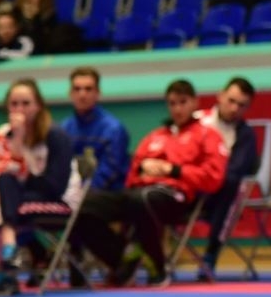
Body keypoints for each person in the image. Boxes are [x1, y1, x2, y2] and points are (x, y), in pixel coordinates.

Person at [70, 80, 228, 286]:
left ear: (195, 103)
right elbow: (133, 172)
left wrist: (173, 170)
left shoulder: (208, 135)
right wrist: (141, 173)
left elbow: (214, 178)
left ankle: (157, 267)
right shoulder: (155, 136)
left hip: (176, 197)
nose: (177, 108)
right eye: (172, 103)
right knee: (83, 205)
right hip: (139, 192)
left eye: (183, 102)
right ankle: (122, 258)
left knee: (143, 199)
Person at [0, 80, 75, 297]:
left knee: (0, 199)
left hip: (54, 198)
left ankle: (5, 265)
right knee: (2, 186)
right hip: (17, 196)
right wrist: (18, 140)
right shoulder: (4, 134)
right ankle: (10, 253)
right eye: (14, 104)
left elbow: (55, 186)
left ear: (38, 106)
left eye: (26, 103)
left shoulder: (56, 136)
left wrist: (25, 163)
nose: (19, 109)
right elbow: (1, 170)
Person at [196, 78, 260, 273]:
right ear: (220, 96)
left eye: (242, 105)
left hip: (218, 195)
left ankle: (210, 255)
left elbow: (236, 171)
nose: (234, 109)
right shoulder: (197, 120)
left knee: (231, 184)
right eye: (231, 101)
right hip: (188, 188)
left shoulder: (245, 134)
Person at [58, 67, 130, 193]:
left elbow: (109, 173)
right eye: (77, 89)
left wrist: (81, 193)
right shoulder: (63, 129)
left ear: (98, 93)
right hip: (70, 193)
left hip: (108, 195)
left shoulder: (114, 129)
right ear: (70, 93)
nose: (82, 94)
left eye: (88, 89)